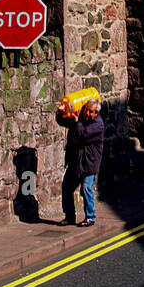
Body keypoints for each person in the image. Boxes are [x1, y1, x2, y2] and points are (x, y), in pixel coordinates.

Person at [62, 97, 104, 226]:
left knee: (86, 188)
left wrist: (76, 121)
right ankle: (69, 217)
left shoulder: (98, 125)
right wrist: (61, 113)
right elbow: (64, 122)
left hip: (89, 163)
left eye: (91, 112)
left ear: (96, 113)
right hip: (76, 161)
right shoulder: (80, 118)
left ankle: (90, 217)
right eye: (86, 110)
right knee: (67, 187)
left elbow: (83, 134)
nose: (87, 113)